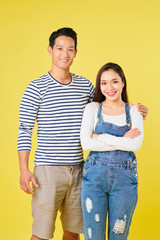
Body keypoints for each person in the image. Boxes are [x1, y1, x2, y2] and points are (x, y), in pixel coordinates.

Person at [18, 27, 147, 240]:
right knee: (41, 233)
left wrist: (135, 110)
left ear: (75, 53)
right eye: (59, 48)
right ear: (50, 50)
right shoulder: (36, 88)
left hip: (80, 170)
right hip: (48, 170)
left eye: (70, 49)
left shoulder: (85, 85)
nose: (64, 54)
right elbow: (24, 129)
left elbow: (109, 101)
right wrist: (23, 169)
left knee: (74, 232)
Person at [80, 62, 144, 240]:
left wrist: (99, 137)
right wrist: (123, 140)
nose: (110, 87)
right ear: (100, 86)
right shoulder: (92, 108)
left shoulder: (135, 111)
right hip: (94, 179)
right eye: (104, 83)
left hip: (125, 180)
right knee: (93, 236)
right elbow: (86, 143)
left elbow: (135, 145)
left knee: (119, 235)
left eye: (114, 82)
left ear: (123, 82)